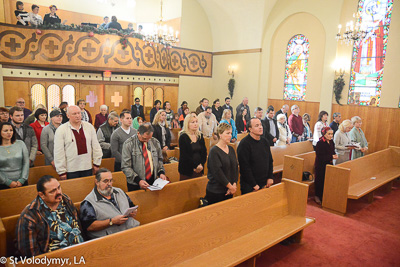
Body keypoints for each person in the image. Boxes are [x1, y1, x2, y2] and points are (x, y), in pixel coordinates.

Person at [16, 176, 83, 257]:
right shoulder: (30, 214)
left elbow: (77, 224)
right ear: (42, 195)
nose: (59, 192)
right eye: (53, 191)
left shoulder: (65, 200)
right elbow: (30, 253)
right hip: (55, 258)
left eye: (59, 188)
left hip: (80, 249)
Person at [80, 169, 140, 240]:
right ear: (97, 182)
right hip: (111, 237)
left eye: (111, 180)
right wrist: (112, 221)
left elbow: (131, 206)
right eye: (105, 181)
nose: (109, 184)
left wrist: (133, 212)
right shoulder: (88, 202)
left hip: (130, 229)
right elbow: (90, 227)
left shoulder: (119, 191)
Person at [54, 106, 102, 179]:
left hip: (87, 166)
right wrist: (61, 171)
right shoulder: (61, 130)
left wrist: (96, 163)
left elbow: (96, 146)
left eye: (79, 113)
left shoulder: (89, 127)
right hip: (71, 169)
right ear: (68, 115)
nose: (77, 116)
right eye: (74, 114)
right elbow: (59, 152)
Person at [121, 123, 167, 191]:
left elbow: (159, 160)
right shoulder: (128, 144)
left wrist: (161, 172)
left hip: (152, 181)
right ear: (138, 133)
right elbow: (126, 166)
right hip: (135, 183)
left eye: (149, 138)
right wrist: (138, 180)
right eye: (144, 138)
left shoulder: (155, 142)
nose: (147, 141)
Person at [237, 118, 274, 194]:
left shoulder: (265, 142)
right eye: (257, 126)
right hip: (250, 186)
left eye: (260, 125)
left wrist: (270, 177)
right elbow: (244, 167)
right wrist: (254, 184)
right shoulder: (244, 144)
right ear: (250, 129)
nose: (260, 127)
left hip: (264, 183)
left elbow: (270, 161)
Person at [206, 123, 238, 205]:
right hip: (216, 190)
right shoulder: (214, 151)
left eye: (231, 133)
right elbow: (217, 173)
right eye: (227, 133)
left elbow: (235, 168)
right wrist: (230, 187)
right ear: (220, 134)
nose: (230, 136)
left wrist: (234, 184)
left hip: (229, 190)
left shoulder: (231, 149)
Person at [0, 122, 29, 189]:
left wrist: (22, 180)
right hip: (3, 183)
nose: (9, 133)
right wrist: (8, 182)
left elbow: (26, 162)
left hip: (21, 182)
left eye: (11, 130)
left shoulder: (20, 143)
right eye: (5, 131)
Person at [178, 113, 207, 180]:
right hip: (187, 170)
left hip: (199, 168)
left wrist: (201, 165)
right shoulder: (183, 137)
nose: (195, 124)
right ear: (187, 124)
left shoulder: (200, 136)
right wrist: (195, 166)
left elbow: (204, 152)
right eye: (192, 122)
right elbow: (185, 155)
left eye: (196, 122)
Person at [314, 127, 337, 204]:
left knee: (327, 180)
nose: (331, 136)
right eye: (329, 134)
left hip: (329, 164)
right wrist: (331, 157)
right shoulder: (320, 143)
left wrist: (334, 155)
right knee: (320, 181)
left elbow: (332, 151)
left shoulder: (331, 142)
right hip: (321, 165)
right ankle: (318, 196)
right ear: (324, 134)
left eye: (332, 134)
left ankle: (326, 196)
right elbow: (320, 156)